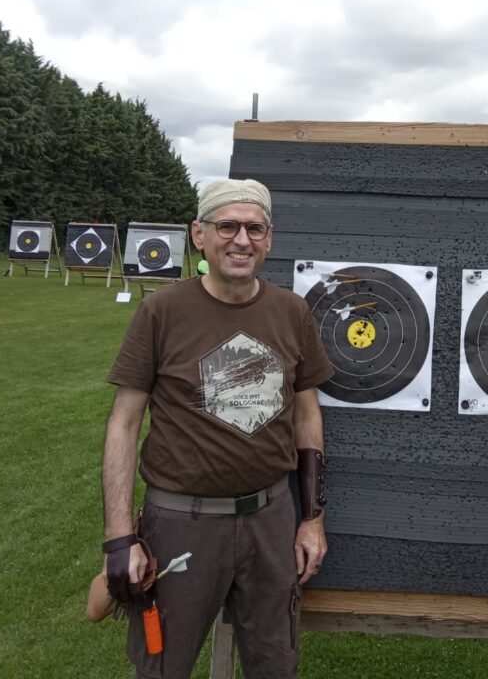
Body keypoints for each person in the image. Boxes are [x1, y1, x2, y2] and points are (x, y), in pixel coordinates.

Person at [102, 178, 333, 679]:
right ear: (199, 234)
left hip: (270, 519)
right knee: (164, 665)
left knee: (275, 663)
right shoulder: (161, 311)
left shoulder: (292, 312)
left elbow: (308, 413)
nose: (242, 240)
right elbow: (124, 423)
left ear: (269, 238)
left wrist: (311, 517)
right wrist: (120, 538)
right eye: (227, 226)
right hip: (182, 522)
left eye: (255, 228)